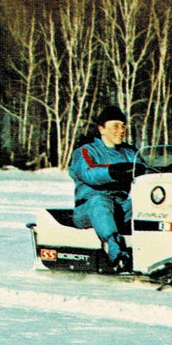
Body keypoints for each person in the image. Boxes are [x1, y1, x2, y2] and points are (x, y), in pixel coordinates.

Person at [68, 105, 144, 273]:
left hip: (119, 207)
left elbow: (146, 169)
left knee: (144, 204)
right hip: (88, 209)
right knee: (100, 201)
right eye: (115, 125)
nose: (121, 130)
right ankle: (116, 253)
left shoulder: (130, 152)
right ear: (101, 128)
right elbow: (89, 173)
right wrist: (113, 171)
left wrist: (170, 167)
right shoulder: (85, 151)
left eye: (123, 126)